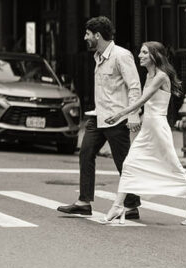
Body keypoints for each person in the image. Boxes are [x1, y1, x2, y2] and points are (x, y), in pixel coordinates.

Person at [102, 42, 186, 225]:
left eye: (144, 53)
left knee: (174, 167)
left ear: (154, 55)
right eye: (140, 52)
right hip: (148, 127)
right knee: (129, 164)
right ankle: (118, 206)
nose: (139, 55)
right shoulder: (149, 75)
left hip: (158, 128)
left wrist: (121, 113)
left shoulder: (160, 76)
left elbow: (144, 99)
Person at [57, 16, 142, 219]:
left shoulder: (121, 55)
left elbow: (134, 86)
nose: (84, 37)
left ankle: (131, 205)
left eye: (87, 34)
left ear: (97, 35)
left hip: (117, 118)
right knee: (86, 153)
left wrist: (133, 115)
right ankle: (84, 202)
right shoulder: (98, 56)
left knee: (123, 162)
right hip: (98, 116)